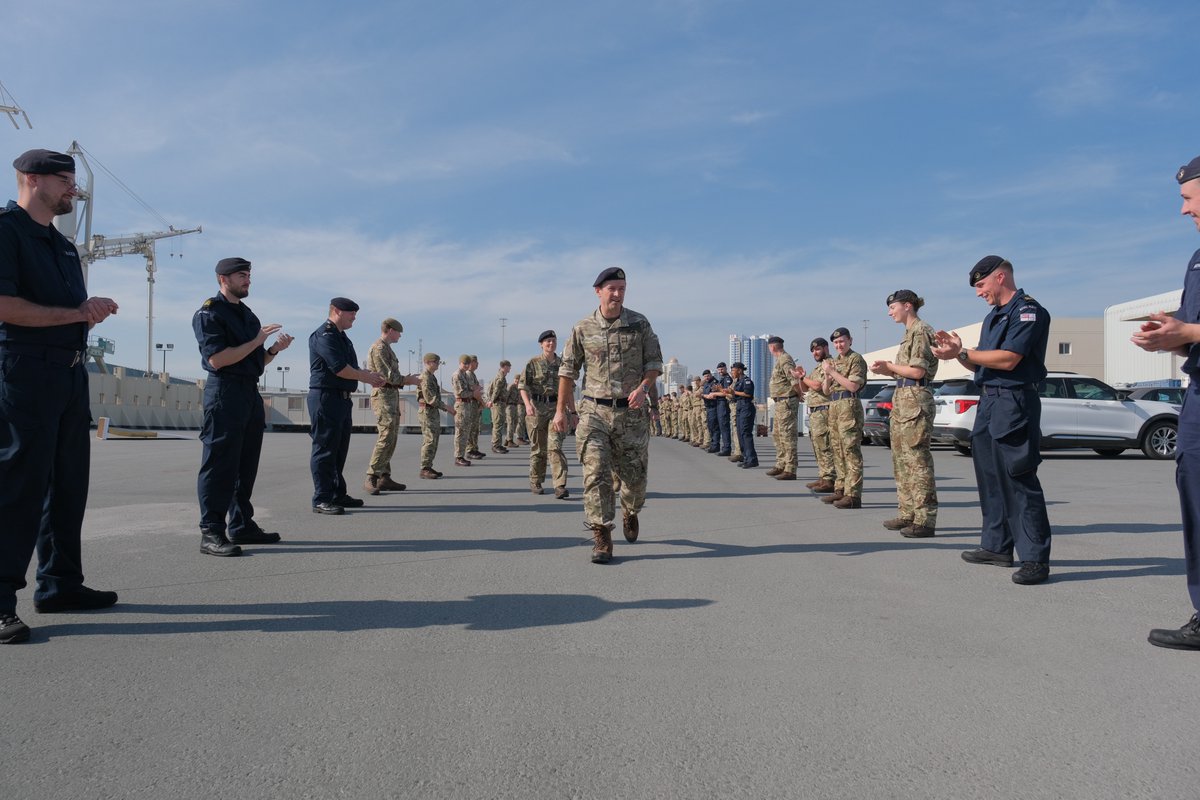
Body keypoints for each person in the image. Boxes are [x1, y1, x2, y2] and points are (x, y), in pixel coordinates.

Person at [0, 149, 120, 644]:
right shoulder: (6, 231)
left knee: (69, 484)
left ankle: (59, 584)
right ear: (32, 179)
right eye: (65, 180)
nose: (74, 188)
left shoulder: (64, 245)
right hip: (24, 372)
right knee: (18, 486)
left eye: (74, 180)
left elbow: (68, 310)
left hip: (69, 376)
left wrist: (87, 311)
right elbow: (5, 305)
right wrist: (77, 314)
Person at [932, 255, 1052, 585]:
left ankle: (1034, 559)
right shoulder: (992, 319)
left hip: (1014, 402)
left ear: (1000, 277)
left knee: (1019, 479)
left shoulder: (1028, 311)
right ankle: (997, 546)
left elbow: (1010, 359)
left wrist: (964, 352)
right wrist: (958, 352)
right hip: (988, 401)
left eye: (981, 285)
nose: (978, 292)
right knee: (989, 477)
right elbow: (984, 365)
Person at [1133, 155, 1200, 648]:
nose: (1184, 210)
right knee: (1195, 496)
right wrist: (1169, 336)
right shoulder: (1197, 259)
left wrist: (1190, 330)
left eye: (1188, 197)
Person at [555, 267, 662, 563]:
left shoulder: (640, 324)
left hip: (632, 415)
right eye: (612, 288)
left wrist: (644, 387)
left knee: (635, 481)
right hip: (594, 411)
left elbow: (653, 363)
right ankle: (601, 534)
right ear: (598, 291)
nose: (617, 294)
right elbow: (567, 372)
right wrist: (561, 411)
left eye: (622, 288)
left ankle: (630, 510)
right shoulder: (582, 328)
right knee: (595, 473)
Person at [193, 256, 294, 557]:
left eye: (248, 275)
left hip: (249, 393)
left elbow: (256, 361)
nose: (247, 280)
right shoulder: (209, 314)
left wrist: (273, 349)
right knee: (219, 463)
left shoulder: (248, 316)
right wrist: (258, 340)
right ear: (223, 280)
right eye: (241, 275)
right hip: (224, 393)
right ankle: (211, 531)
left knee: (245, 465)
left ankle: (241, 524)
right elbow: (218, 359)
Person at [870, 290, 939, 537]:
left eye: (892, 307)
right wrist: (888, 371)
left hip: (915, 401)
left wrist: (890, 366)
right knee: (901, 461)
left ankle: (924, 520)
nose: (890, 312)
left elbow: (918, 372)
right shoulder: (909, 334)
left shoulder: (921, 331)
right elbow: (907, 371)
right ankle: (907, 513)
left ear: (907, 306)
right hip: (903, 401)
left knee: (917, 461)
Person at [307, 297, 385, 515]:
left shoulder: (343, 338)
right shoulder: (324, 335)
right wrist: (365, 378)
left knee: (339, 450)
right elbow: (339, 368)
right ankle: (321, 498)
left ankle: (337, 493)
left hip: (341, 398)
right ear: (335, 311)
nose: (354, 317)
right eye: (350, 313)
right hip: (326, 397)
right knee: (324, 450)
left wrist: (367, 374)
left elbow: (351, 367)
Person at [364, 317, 418, 496]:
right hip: (383, 396)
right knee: (386, 435)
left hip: (391, 396)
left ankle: (384, 477)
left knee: (392, 437)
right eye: (398, 331)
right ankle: (371, 476)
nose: (400, 335)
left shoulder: (387, 349)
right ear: (389, 330)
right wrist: (408, 380)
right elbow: (387, 376)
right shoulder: (379, 348)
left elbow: (392, 376)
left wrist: (404, 380)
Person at [821, 327, 867, 509]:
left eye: (842, 341)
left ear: (850, 341)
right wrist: (827, 375)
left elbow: (853, 386)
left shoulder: (856, 359)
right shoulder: (833, 362)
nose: (839, 345)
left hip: (849, 406)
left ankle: (853, 494)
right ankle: (840, 488)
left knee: (850, 451)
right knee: (837, 450)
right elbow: (825, 391)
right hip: (834, 406)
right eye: (836, 342)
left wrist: (832, 372)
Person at [521, 330, 570, 498]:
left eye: (553, 340)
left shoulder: (563, 364)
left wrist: (574, 412)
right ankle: (536, 480)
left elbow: (569, 390)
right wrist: (528, 405)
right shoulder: (533, 363)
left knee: (555, 447)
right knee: (538, 448)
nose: (551, 343)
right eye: (547, 341)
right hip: (537, 409)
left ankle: (560, 485)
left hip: (556, 409)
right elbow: (522, 386)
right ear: (541, 344)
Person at [797, 337, 835, 492]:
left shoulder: (830, 364)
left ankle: (830, 479)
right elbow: (805, 389)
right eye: (813, 350)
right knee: (818, 446)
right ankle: (823, 477)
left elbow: (818, 386)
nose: (815, 352)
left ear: (826, 348)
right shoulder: (817, 368)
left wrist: (803, 378)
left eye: (818, 349)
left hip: (824, 410)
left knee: (825, 445)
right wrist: (801, 378)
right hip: (815, 412)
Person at [766, 336, 799, 480]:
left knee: (787, 436)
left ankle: (790, 469)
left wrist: (799, 393)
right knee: (777, 435)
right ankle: (781, 464)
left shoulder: (785, 359)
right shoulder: (780, 360)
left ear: (772, 347)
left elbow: (793, 380)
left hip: (786, 402)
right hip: (780, 403)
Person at [417, 353, 454, 478]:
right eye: (435, 362)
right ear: (428, 362)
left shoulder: (431, 377)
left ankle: (428, 466)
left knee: (434, 439)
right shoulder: (425, 377)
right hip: (427, 411)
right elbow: (430, 399)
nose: (438, 364)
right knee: (429, 440)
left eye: (438, 362)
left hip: (432, 411)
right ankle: (424, 468)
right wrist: (447, 407)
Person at [728, 362, 758, 468]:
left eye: (733, 370)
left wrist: (734, 392)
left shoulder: (747, 381)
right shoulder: (738, 382)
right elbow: (734, 394)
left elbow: (747, 394)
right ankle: (746, 457)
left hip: (746, 407)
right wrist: (724, 391)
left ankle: (752, 459)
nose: (732, 372)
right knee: (740, 433)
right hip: (739, 407)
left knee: (746, 433)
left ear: (740, 370)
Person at [451, 354, 478, 467]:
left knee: (465, 431)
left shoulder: (464, 375)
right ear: (460, 363)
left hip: (467, 404)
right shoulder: (457, 375)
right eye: (464, 363)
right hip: (461, 404)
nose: (466, 366)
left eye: (468, 364)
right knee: (460, 432)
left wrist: (473, 391)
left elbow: (471, 388)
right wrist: (473, 393)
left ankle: (462, 455)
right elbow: (461, 393)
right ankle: (458, 457)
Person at [487, 360, 511, 454]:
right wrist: (491, 401)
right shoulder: (500, 377)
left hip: (500, 403)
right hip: (497, 403)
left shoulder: (501, 376)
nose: (510, 368)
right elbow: (496, 390)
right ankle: (495, 445)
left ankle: (498, 444)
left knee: (499, 424)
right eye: (509, 366)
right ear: (504, 366)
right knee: (497, 424)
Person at [467, 355, 486, 458]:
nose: (477, 364)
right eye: (475, 362)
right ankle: (470, 450)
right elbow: (475, 392)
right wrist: (482, 403)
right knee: (471, 428)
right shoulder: (469, 375)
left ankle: (474, 448)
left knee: (475, 428)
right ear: (470, 363)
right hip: (470, 405)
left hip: (475, 405)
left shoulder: (473, 375)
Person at [713, 362, 733, 456]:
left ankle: (727, 448)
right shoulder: (722, 379)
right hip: (719, 404)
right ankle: (725, 447)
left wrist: (715, 394)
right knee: (721, 426)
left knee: (724, 427)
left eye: (722, 369)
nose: (720, 371)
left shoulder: (728, 379)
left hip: (724, 404)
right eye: (719, 370)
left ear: (725, 369)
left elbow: (726, 393)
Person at [700, 369, 721, 453]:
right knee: (710, 426)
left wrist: (703, 395)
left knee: (714, 426)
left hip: (714, 406)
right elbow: (702, 394)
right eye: (705, 376)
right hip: (708, 407)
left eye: (708, 376)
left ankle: (715, 445)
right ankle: (713, 444)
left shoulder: (714, 383)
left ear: (711, 375)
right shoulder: (706, 383)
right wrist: (704, 395)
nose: (706, 377)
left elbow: (711, 396)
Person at [504, 378, 524, 447]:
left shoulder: (517, 388)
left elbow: (517, 399)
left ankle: (507, 440)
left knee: (514, 423)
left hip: (515, 406)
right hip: (510, 406)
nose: (516, 382)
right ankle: (510, 441)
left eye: (518, 381)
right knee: (510, 423)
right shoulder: (511, 386)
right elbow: (506, 396)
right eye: (516, 380)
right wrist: (505, 405)